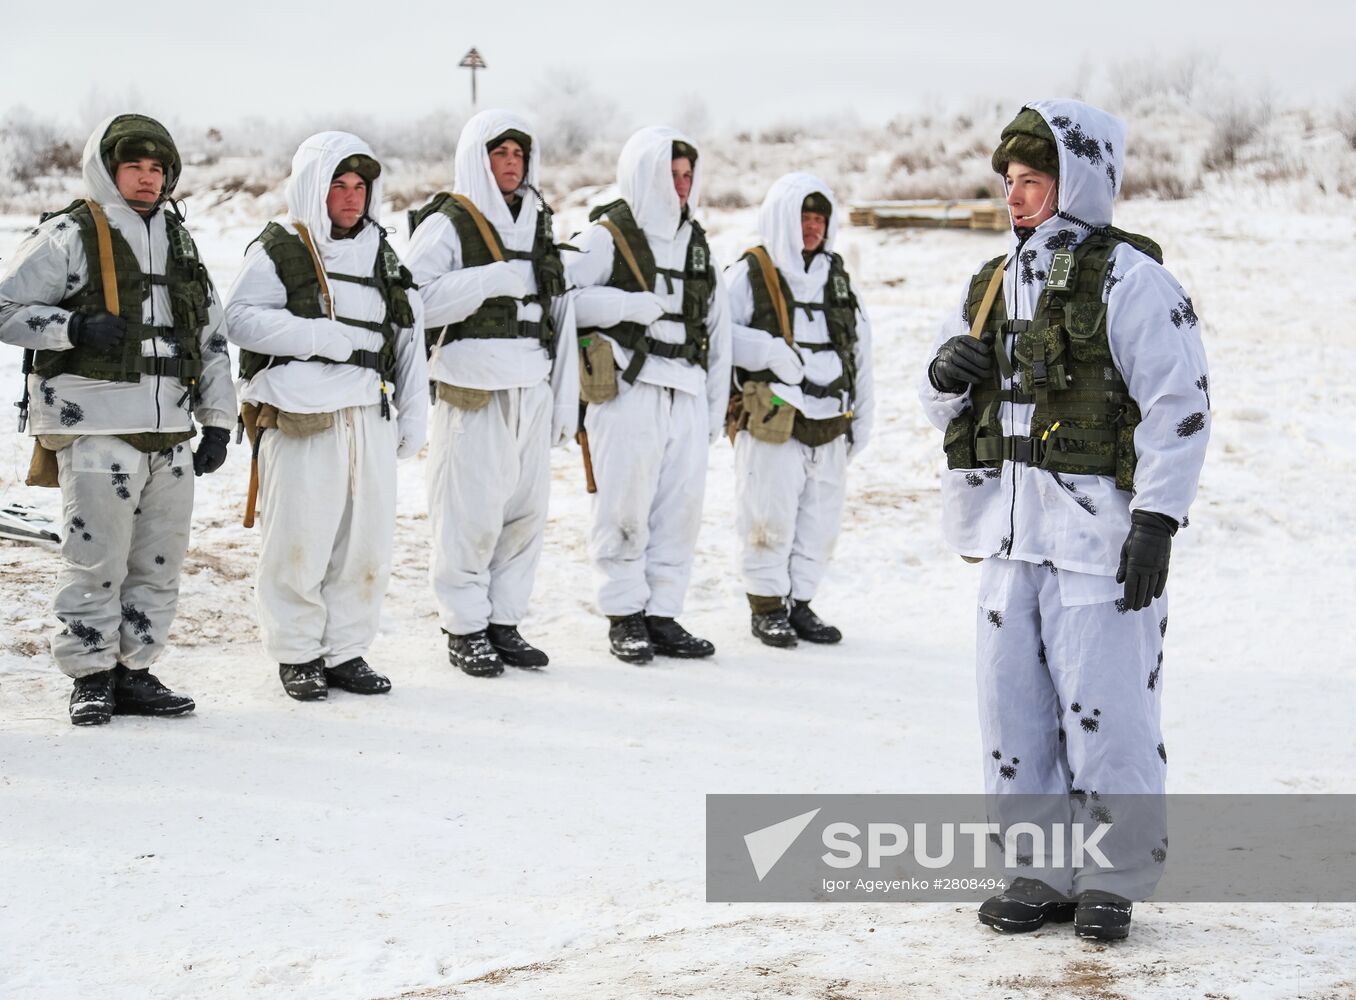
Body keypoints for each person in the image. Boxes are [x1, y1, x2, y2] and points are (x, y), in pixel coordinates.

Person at [919, 100, 1210, 941]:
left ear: (1077, 180)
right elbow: (938, 403)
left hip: (1099, 540)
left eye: (1033, 181)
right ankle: (1036, 867)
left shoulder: (1133, 280)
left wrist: (1157, 519)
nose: (1015, 198)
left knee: (1109, 708)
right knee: (1012, 705)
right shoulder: (989, 285)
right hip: (1008, 538)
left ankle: (1113, 876)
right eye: (1009, 182)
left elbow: (1178, 405)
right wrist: (944, 371)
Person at [0, 113, 236, 726]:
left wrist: (216, 422)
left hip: (171, 431)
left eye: (157, 167)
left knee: (160, 560)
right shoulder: (70, 235)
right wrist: (70, 326)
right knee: (96, 558)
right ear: (108, 169)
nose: (147, 177)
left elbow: (210, 340)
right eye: (133, 165)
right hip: (97, 422)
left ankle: (135, 671)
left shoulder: (183, 246)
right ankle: (91, 674)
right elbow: (2, 307)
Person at [226, 132, 427, 702]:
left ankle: (345, 650)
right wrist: (320, 337)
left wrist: (414, 411)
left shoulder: (383, 252)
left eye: (360, 186)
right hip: (300, 415)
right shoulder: (280, 247)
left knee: (364, 542)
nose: (350, 196)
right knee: (299, 537)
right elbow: (237, 319)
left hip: (368, 410)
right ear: (315, 185)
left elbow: (408, 333)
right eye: (338, 184)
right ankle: (297, 653)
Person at [405, 110, 576, 677]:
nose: (511, 164)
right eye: (499, 153)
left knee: (524, 516)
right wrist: (486, 281)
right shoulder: (449, 222)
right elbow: (412, 300)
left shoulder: (539, 221)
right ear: (478, 158)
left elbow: (561, 312)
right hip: (472, 387)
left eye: (518, 154)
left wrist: (563, 396)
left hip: (531, 383)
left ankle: (504, 621)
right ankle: (464, 626)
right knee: (468, 514)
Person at [565, 127, 731, 664]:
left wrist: (712, 407)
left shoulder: (698, 242)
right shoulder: (604, 235)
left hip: (685, 389)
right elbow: (562, 300)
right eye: (671, 174)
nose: (681, 186)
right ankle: (623, 613)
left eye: (688, 176)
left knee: (679, 511)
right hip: (627, 390)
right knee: (623, 505)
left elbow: (718, 328)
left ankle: (662, 613)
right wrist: (623, 306)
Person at [724, 173, 874, 647]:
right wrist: (765, 350)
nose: (812, 227)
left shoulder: (837, 277)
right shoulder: (750, 273)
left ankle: (801, 602)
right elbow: (718, 336)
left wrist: (863, 416)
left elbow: (861, 349)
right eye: (803, 217)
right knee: (767, 513)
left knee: (820, 520)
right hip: (772, 417)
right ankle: (766, 605)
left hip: (831, 418)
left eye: (819, 218)